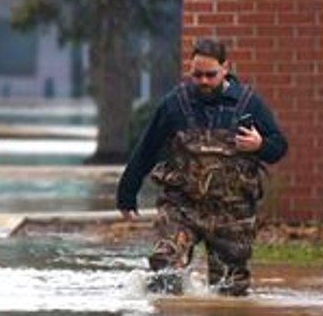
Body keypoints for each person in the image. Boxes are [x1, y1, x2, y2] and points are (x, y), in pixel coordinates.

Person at [116, 38, 288, 296]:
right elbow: (147, 149)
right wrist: (126, 193)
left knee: (230, 292)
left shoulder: (249, 105)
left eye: (211, 75)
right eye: (197, 75)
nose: (204, 81)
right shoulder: (174, 105)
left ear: (225, 68)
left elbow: (279, 148)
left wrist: (259, 144)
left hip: (232, 213)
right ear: (189, 70)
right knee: (165, 271)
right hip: (181, 207)